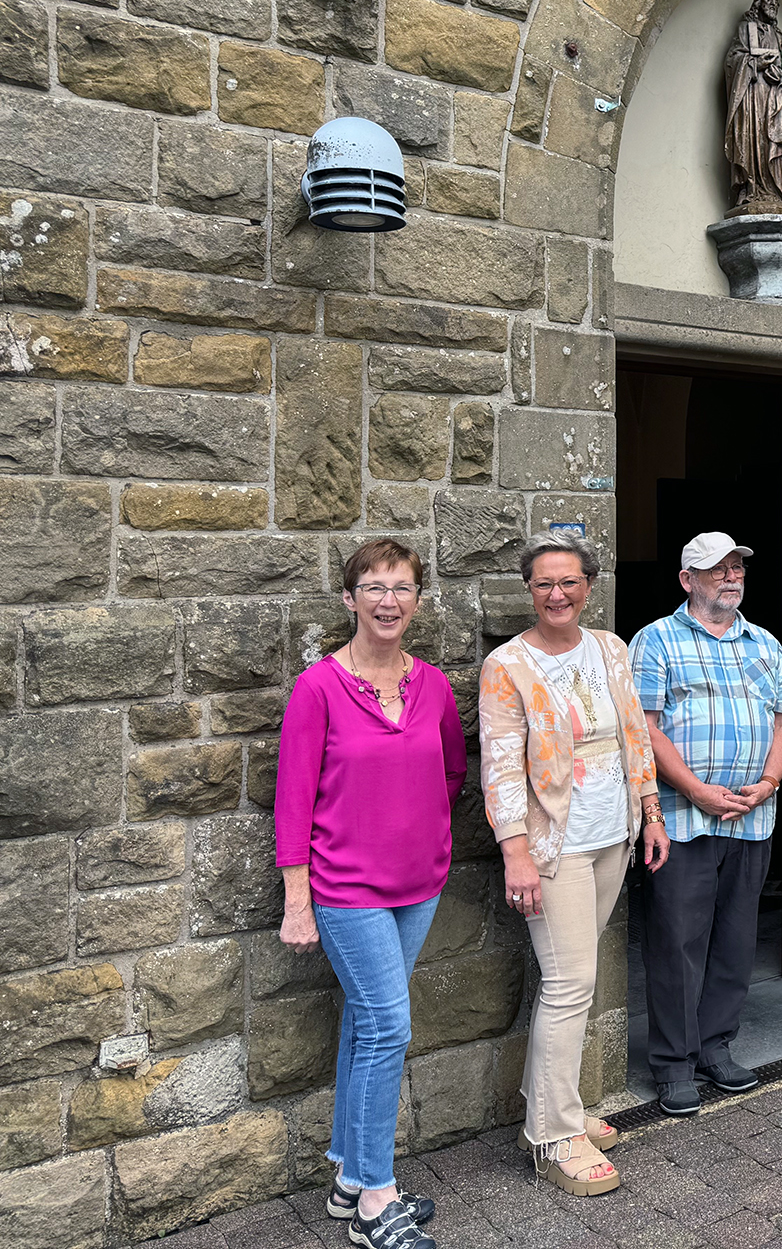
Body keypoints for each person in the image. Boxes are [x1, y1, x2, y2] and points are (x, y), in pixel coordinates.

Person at [275, 539, 464, 1249]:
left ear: (418, 599)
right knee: (389, 1026)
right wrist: (299, 900)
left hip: (418, 884)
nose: (389, 599)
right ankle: (375, 1202)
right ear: (349, 598)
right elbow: (292, 800)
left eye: (403, 586)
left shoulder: (436, 687)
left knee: (365, 1023)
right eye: (374, 586)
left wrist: (421, 834)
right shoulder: (318, 687)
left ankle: (350, 1178)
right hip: (346, 887)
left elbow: (451, 774)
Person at [479, 531, 665, 1198]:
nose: (557, 594)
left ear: (589, 586)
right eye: (543, 584)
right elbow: (501, 769)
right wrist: (516, 852)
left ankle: (551, 1100)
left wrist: (650, 807)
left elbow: (633, 732)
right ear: (529, 590)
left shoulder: (610, 647)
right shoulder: (507, 665)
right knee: (570, 979)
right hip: (552, 846)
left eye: (569, 582)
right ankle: (553, 1134)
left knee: (574, 981)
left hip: (611, 834)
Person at [630, 532, 782, 1117]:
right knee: (677, 942)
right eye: (716, 570)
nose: (731, 578)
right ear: (687, 580)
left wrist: (770, 783)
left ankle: (715, 1046)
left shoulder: (764, 643)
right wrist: (696, 789)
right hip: (682, 817)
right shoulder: (655, 641)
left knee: (734, 940)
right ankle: (674, 1063)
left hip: (752, 817)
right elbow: (645, 730)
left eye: (736, 568)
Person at [722, 0, 782, 212]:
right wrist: (754, 63)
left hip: (776, 101)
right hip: (754, 99)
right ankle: (753, 189)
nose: (773, 4)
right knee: (755, 142)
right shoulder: (747, 29)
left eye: (776, 1)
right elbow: (732, 61)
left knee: (780, 146)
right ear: (758, 1)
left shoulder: (780, 36)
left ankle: (781, 193)